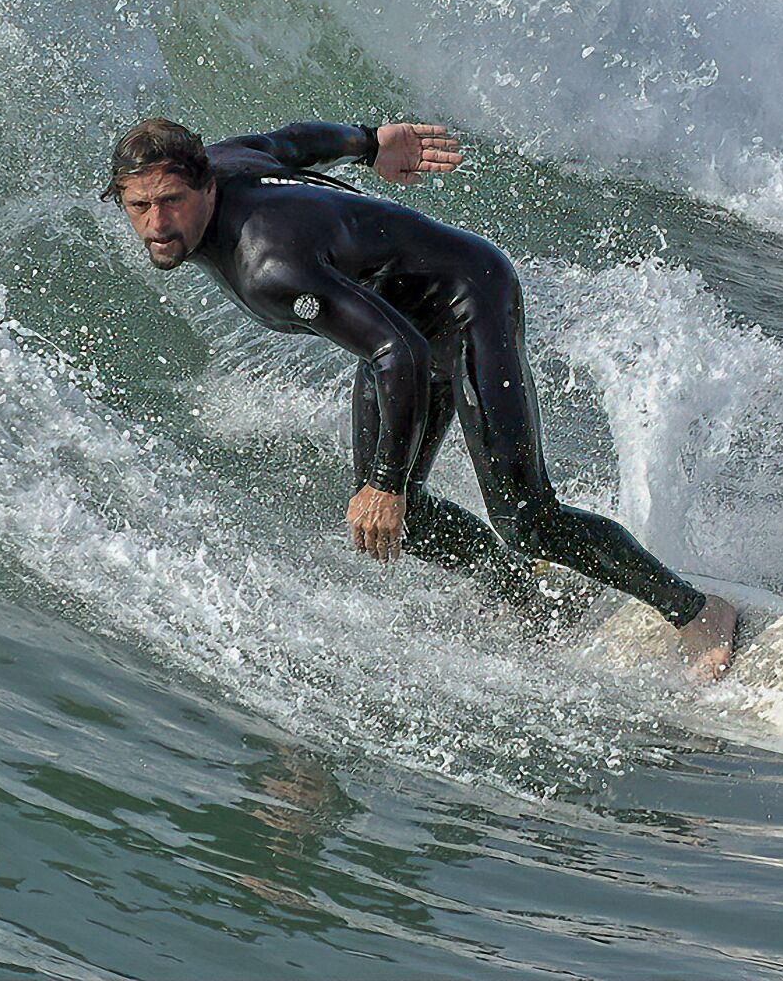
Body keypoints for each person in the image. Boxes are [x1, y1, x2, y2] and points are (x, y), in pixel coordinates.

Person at [101, 117, 736, 676]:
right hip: (396, 319)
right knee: (410, 517)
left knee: (523, 517)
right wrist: (370, 142)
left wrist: (387, 481)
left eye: (171, 201)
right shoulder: (224, 162)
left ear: (206, 185)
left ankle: (696, 611)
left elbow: (396, 352)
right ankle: (529, 596)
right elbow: (288, 142)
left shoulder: (268, 267)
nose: (157, 224)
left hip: (467, 299)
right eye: (138, 206)